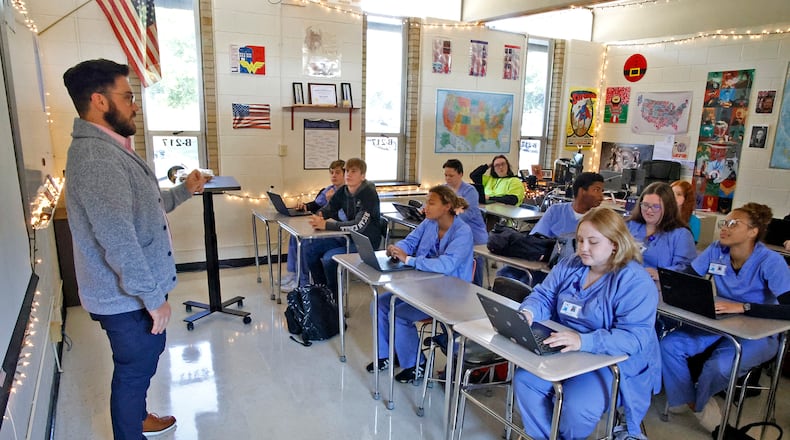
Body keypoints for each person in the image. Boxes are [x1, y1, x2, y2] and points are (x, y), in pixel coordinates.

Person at [63, 59, 211, 439]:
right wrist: (151, 297)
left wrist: (184, 190)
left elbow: (141, 203)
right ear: (99, 100)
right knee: (134, 368)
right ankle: (130, 431)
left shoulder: (110, 148)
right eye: (127, 96)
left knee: (142, 362)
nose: (134, 105)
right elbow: (118, 238)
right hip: (125, 297)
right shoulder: (97, 157)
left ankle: (138, 416)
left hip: (131, 293)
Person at [514, 207, 660, 440]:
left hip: (611, 360)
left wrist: (584, 341)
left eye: (593, 242)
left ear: (615, 243)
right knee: (525, 381)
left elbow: (634, 338)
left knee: (577, 407)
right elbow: (544, 295)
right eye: (580, 240)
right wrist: (529, 312)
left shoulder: (635, 281)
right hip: (566, 347)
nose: (582, 248)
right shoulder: (571, 264)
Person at [661, 203, 790, 433]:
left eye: (733, 224)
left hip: (760, 331)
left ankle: (698, 405)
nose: (725, 228)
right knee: (670, 345)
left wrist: (744, 307)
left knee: (718, 367)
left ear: (753, 231)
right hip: (719, 318)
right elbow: (688, 278)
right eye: (725, 222)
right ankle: (695, 403)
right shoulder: (716, 250)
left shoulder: (771, 261)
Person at [367, 185, 474, 383]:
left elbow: (447, 264)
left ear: (447, 206)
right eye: (426, 202)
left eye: (431, 203)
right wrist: (396, 248)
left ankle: (416, 364)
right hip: (421, 285)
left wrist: (410, 260)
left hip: (449, 295)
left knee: (398, 314)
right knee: (379, 304)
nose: (426, 207)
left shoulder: (463, 232)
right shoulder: (429, 223)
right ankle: (386, 355)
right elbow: (410, 242)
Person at [497, 172, 604, 285]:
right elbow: (536, 238)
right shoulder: (556, 211)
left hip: (567, 271)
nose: (601, 196)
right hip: (542, 259)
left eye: (602, 191)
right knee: (506, 274)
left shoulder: (597, 221)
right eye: (597, 190)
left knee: (527, 284)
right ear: (582, 191)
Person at [303, 157, 381, 295]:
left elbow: (358, 226)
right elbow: (329, 208)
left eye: (353, 171)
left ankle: (335, 297)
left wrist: (326, 225)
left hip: (365, 242)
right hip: (347, 237)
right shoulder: (343, 190)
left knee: (329, 259)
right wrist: (320, 215)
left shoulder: (368, 193)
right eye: (347, 171)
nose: (348, 174)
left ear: (362, 176)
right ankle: (322, 293)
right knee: (310, 251)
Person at [279, 160, 346, 292]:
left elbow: (340, 217)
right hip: (323, 228)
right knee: (295, 237)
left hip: (337, 233)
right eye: (331, 173)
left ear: (345, 174)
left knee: (305, 244)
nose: (333, 176)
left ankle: (302, 281)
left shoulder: (346, 194)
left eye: (337, 173)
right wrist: (304, 206)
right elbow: (315, 205)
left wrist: (330, 202)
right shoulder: (328, 190)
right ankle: (293, 274)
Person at [627, 182, 696, 281]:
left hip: (658, 288)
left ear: (668, 208)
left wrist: (662, 274)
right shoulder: (630, 226)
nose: (649, 210)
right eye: (645, 205)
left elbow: (687, 269)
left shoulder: (681, 234)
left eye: (656, 206)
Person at [442, 159, 487, 285]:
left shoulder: (470, 191)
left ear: (460, 174)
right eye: (446, 175)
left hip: (474, 234)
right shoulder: (444, 189)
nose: (447, 178)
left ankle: (477, 287)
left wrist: (446, 218)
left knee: (474, 260)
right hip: (454, 232)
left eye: (451, 175)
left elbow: (469, 214)